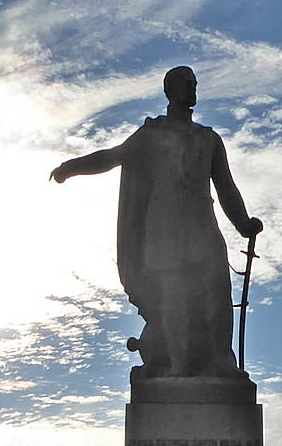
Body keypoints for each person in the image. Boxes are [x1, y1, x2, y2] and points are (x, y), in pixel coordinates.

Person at [49, 66, 264, 377]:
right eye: (186, 84)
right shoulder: (150, 136)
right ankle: (178, 365)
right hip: (163, 230)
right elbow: (111, 157)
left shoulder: (209, 139)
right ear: (170, 90)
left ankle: (221, 361)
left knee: (216, 292)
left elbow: (226, 187)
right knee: (173, 296)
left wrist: (243, 224)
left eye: (194, 84)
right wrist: (71, 166)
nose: (192, 89)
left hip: (203, 228)